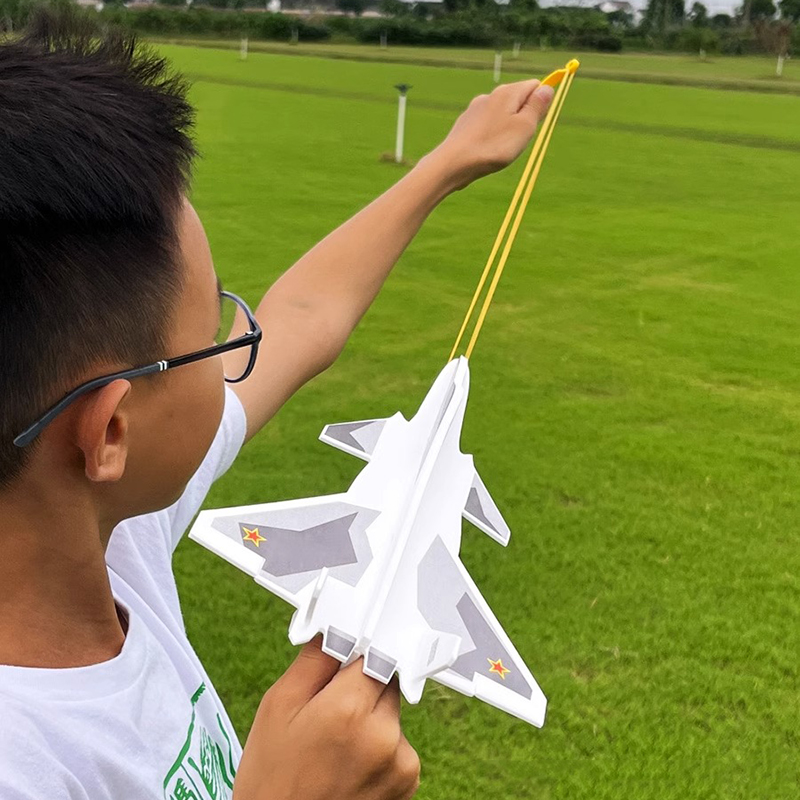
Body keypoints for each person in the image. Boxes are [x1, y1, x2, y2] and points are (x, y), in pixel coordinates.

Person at [0, 6, 554, 799]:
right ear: (110, 430)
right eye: (211, 336)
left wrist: (447, 163)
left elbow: (301, 319)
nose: (237, 348)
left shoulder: (107, 538)